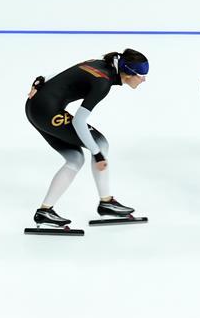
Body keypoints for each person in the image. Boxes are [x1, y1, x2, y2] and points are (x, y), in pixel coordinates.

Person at [25, 49, 148, 228]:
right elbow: (79, 121)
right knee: (101, 143)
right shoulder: (103, 82)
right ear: (128, 73)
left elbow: (64, 75)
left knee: (75, 158)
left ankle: (45, 211)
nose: (144, 79)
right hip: (46, 111)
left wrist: (41, 79)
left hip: (35, 107)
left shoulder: (100, 64)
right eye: (142, 75)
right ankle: (106, 202)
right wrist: (97, 153)